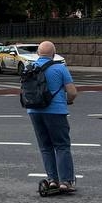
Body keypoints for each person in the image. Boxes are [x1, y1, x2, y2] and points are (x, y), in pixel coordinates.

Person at [26, 41, 78, 193]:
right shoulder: (60, 68)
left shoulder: (30, 68)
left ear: (37, 53)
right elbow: (72, 92)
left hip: (34, 111)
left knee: (45, 147)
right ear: (54, 55)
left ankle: (52, 180)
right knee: (61, 145)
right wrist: (68, 101)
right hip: (56, 111)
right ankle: (65, 182)